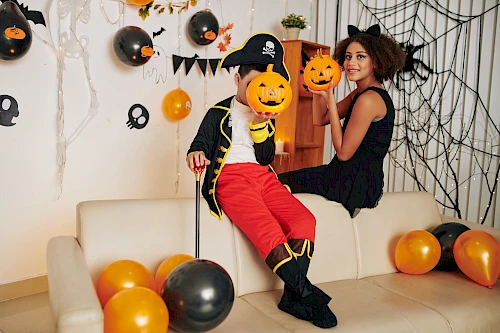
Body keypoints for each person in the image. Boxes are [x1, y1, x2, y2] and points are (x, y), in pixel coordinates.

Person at [186, 32, 337, 329]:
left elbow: (266, 157)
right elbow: (199, 144)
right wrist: (196, 154)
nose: (262, 92)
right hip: (230, 179)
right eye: (254, 84)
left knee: (304, 220)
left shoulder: (268, 113)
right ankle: (304, 293)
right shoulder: (219, 112)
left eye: (268, 86)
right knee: (268, 229)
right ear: (238, 80)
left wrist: (261, 125)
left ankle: (292, 297)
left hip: (264, 177)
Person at [279, 24, 406, 218]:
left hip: (353, 184)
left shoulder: (369, 100)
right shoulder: (361, 93)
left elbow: (344, 153)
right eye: (348, 57)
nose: (351, 63)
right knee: (281, 181)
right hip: (343, 176)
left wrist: (329, 99)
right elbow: (320, 119)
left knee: (280, 183)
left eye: (360, 56)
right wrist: (316, 86)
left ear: (376, 62)